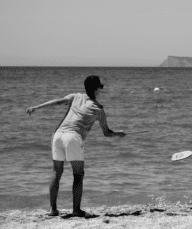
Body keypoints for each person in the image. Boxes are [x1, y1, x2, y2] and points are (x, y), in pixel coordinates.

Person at [26, 75, 126, 217]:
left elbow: (57, 102)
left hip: (58, 135)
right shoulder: (98, 108)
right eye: (100, 88)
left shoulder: (75, 96)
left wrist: (36, 107)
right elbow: (106, 132)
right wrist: (118, 133)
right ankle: (76, 210)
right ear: (96, 89)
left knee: (56, 173)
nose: (100, 90)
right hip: (73, 137)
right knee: (78, 174)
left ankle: (53, 210)